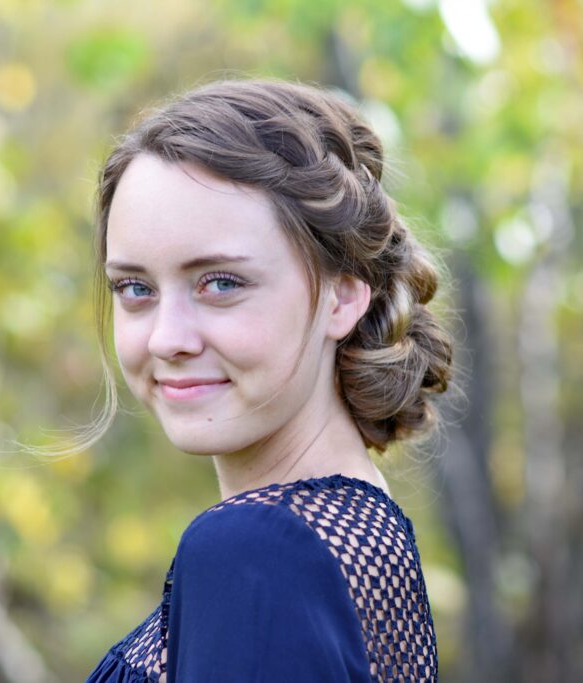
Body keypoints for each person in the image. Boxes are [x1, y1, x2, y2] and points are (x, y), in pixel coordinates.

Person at [79, 78, 454, 682]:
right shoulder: (361, 540)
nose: (166, 337)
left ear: (343, 294)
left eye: (220, 283)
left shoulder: (255, 552)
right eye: (135, 288)